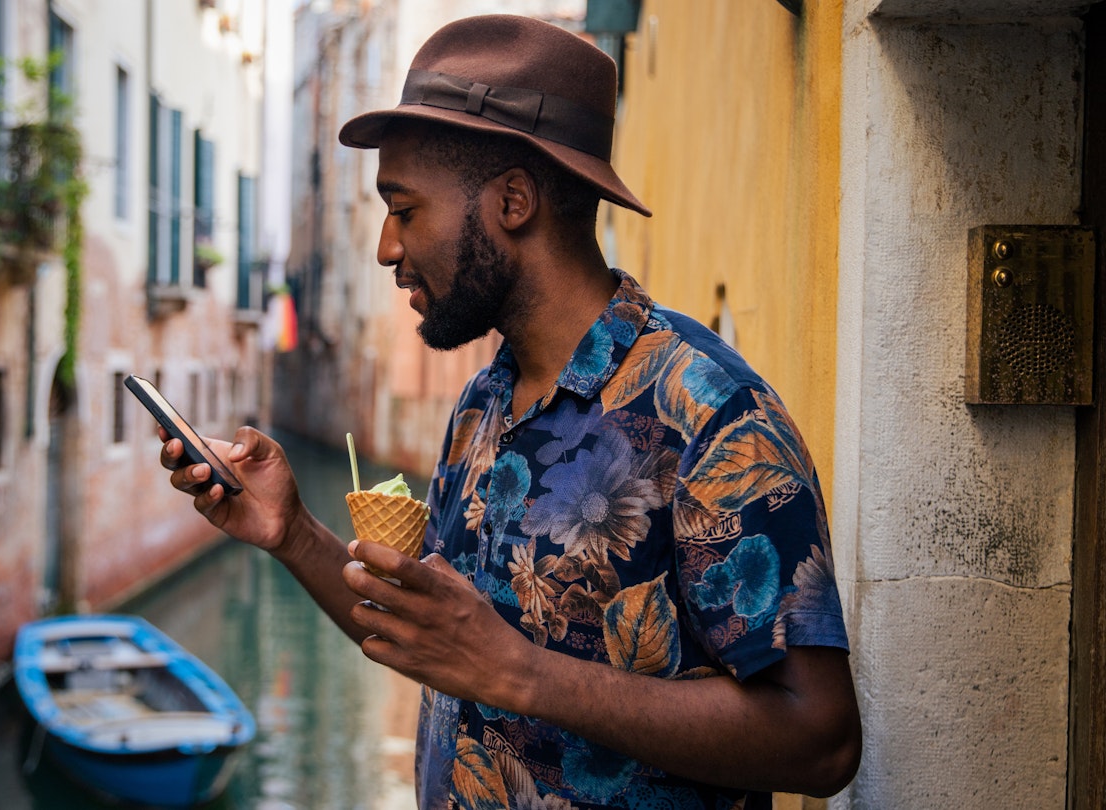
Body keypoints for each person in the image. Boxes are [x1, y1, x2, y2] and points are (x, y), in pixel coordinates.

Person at [159, 14, 861, 809]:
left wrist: (523, 674)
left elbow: (820, 737)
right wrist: (293, 534)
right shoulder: (483, 405)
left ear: (514, 201)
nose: (387, 247)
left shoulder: (711, 416)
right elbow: (437, 641)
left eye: (406, 208)